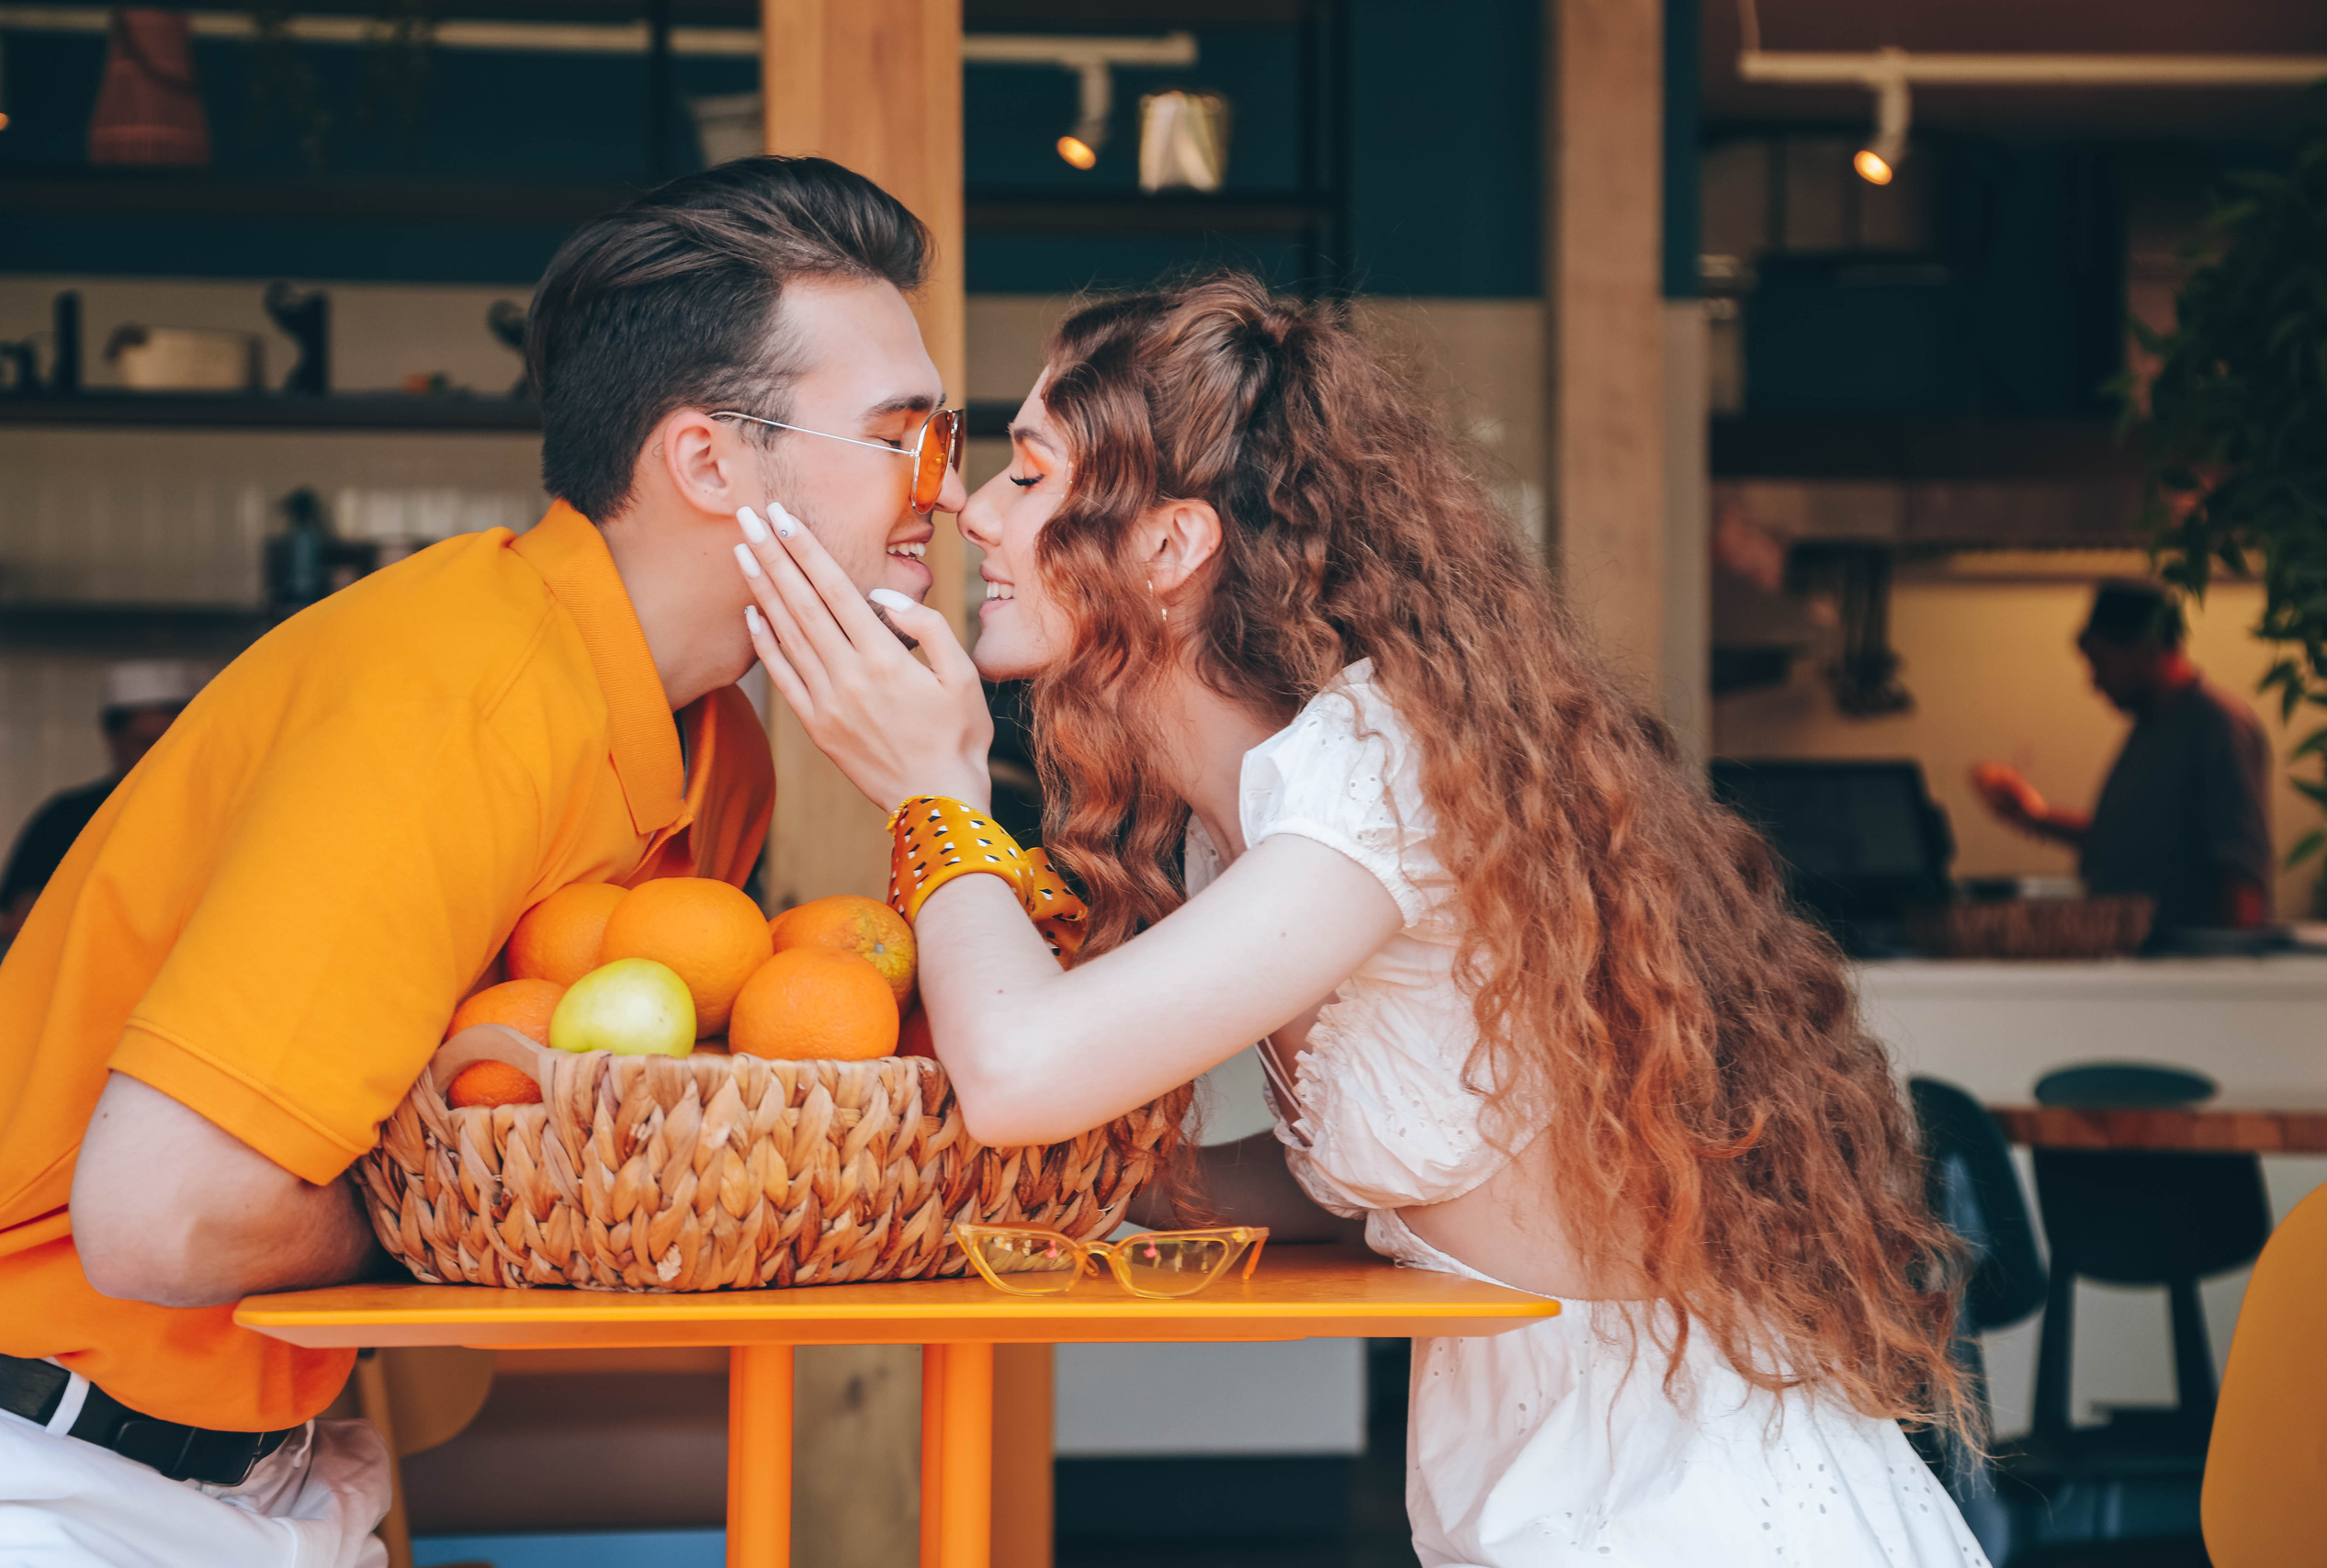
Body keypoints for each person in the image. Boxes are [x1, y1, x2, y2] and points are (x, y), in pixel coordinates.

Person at [736, 274, 1988, 1566]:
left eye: (1028, 472)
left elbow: (1016, 1069)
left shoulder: (1373, 777)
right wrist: (1095, 1197)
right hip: (1539, 1470)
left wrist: (932, 792)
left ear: (1170, 547)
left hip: (1688, 1499)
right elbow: (1401, 1175)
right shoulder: (1246, 820)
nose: (967, 507)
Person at [0, 155, 964, 1566]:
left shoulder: (716, 747)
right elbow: (163, 1215)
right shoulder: (463, 700)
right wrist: (484, 1190)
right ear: (705, 459)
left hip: (266, 1465)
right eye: (906, 439)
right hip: (40, 1469)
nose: (948, 491)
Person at [1971, 580, 2273, 935]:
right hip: (2148, 962)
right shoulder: (2152, 725)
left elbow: (2241, 870)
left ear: (2147, 649)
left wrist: (2228, 972)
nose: (2094, 682)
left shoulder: (2217, 726)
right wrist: (2034, 816)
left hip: (2187, 970)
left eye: (2101, 662)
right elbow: (2128, 843)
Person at [0, 661, 207, 941]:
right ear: (111, 738)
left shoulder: (222, 815)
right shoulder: (65, 818)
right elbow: (23, 916)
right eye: (147, 743)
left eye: (175, 742)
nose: (162, 756)